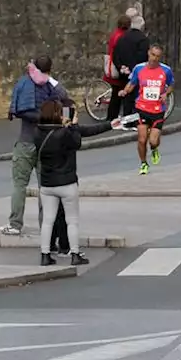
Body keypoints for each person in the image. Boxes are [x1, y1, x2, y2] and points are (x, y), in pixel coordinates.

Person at [34, 100, 115, 266]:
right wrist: (72, 126)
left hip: (47, 184)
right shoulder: (64, 134)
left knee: (48, 220)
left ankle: (45, 254)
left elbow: (83, 132)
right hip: (66, 182)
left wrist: (109, 125)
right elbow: (77, 142)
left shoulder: (37, 132)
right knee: (72, 220)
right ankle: (75, 254)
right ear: (58, 114)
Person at [2, 56, 75, 236]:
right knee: (46, 188)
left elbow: (20, 110)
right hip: (46, 144)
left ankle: (15, 224)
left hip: (26, 142)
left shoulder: (24, 83)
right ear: (49, 70)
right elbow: (66, 97)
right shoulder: (51, 86)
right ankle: (46, 227)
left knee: (19, 185)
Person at [120, 44, 174, 175]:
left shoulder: (166, 70)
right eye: (152, 55)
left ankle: (154, 149)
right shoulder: (139, 68)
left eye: (157, 56)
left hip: (158, 110)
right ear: (148, 53)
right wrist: (125, 91)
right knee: (141, 139)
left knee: (153, 141)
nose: (154, 59)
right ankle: (143, 163)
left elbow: (171, 85)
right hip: (141, 108)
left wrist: (165, 94)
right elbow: (132, 83)